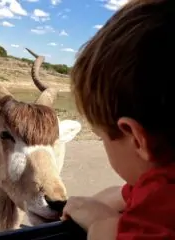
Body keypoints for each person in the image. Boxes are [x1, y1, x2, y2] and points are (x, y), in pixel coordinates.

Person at [60, 0, 175, 239]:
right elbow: (125, 193)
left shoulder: (157, 211)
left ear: (136, 138)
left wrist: (101, 221)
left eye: (101, 136)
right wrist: (84, 205)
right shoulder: (163, 183)